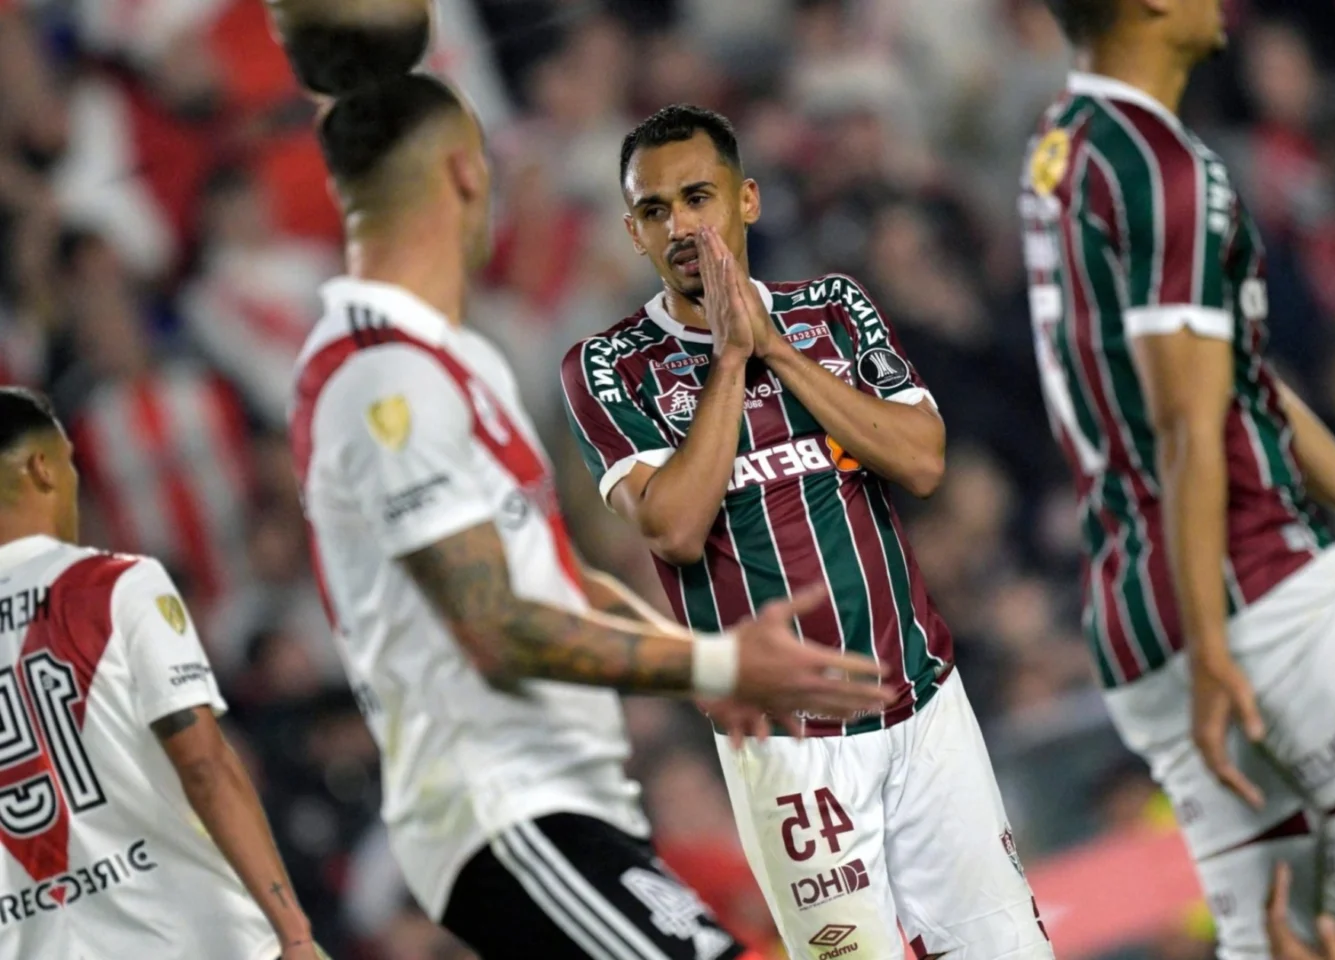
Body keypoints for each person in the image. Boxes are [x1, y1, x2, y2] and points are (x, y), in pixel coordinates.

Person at [289, 69, 892, 960]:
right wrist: (722, 659)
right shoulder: (388, 380)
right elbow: (493, 626)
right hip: (502, 807)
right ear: (464, 173)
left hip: (563, 801)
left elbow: (559, 585)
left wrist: (700, 671)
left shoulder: (457, 364)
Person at [1025, 1, 1335, 955]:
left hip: (1140, 605)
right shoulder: (1160, 166)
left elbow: (1231, 377)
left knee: (1284, 930)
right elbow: (1187, 419)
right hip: (1241, 581)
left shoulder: (1065, 149)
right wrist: (1215, 643)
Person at [561, 104, 1054, 960]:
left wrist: (777, 353)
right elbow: (674, 527)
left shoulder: (830, 308)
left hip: (923, 703)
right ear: (632, 231)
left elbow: (924, 460)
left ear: (746, 200)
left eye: (697, 197)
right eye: (653, 210)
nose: (679, 225)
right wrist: (727, 359)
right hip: (788, 749)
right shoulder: (606, 365)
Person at [0, 387, 322, 960]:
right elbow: (203, 764)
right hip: (193, 937)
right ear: (43, 469)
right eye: (72, 463)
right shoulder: (117, 586)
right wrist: (292, 932)